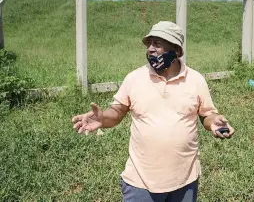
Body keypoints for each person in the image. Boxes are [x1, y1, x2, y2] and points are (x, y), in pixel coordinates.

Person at [72, 21, 235, 202]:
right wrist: (102, 118)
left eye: (157, 44)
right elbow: (117, 112)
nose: (150, 49)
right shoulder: (135, 78)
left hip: (184, 179)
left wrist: (214, 122)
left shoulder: (195, 80)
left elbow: (206, 114)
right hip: (140, 182)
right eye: (149, 44)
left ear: (176, 50)